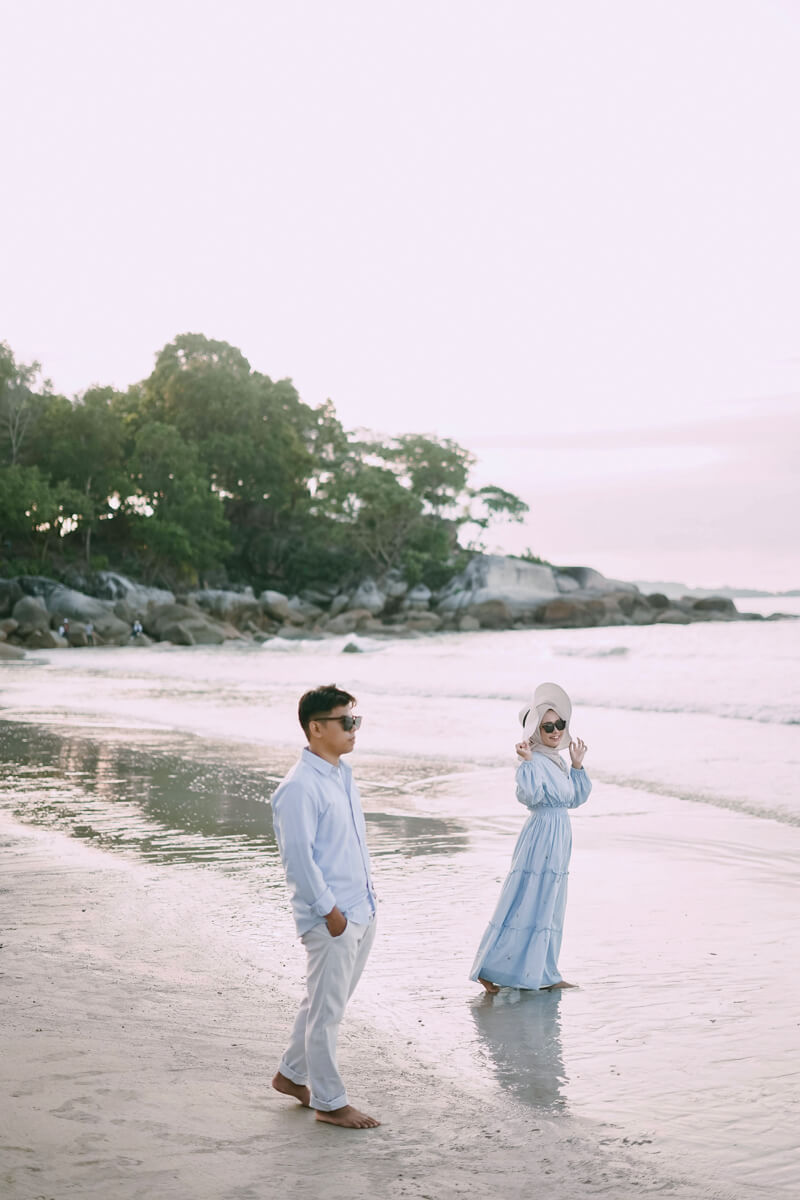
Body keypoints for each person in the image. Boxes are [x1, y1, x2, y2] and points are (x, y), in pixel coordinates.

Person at [271, 683, 380, 1129]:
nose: (354, 729)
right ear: (316, 728)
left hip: (360, 909)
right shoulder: (298, 788)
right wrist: (330, 913)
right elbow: (298, 860)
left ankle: (290, 1075)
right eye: (345, 721)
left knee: (322, 1003)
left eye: (356, 719)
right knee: (327, 1013)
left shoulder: (341, 775)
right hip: (332, 917)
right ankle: (330, 1103)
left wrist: (367, 902)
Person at [470, 681, 590, 993]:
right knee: (530, 898)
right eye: (548, 726)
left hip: (559, 833)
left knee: (551, 902)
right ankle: (492, 967)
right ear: (536, 730)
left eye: (559, 724)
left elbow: (574, 799)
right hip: (542, 835)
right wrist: (526, 763)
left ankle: (543, 971)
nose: (555, 731)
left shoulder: (557, 760)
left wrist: (577, 766)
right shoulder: (534, 760)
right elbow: (530, 796)